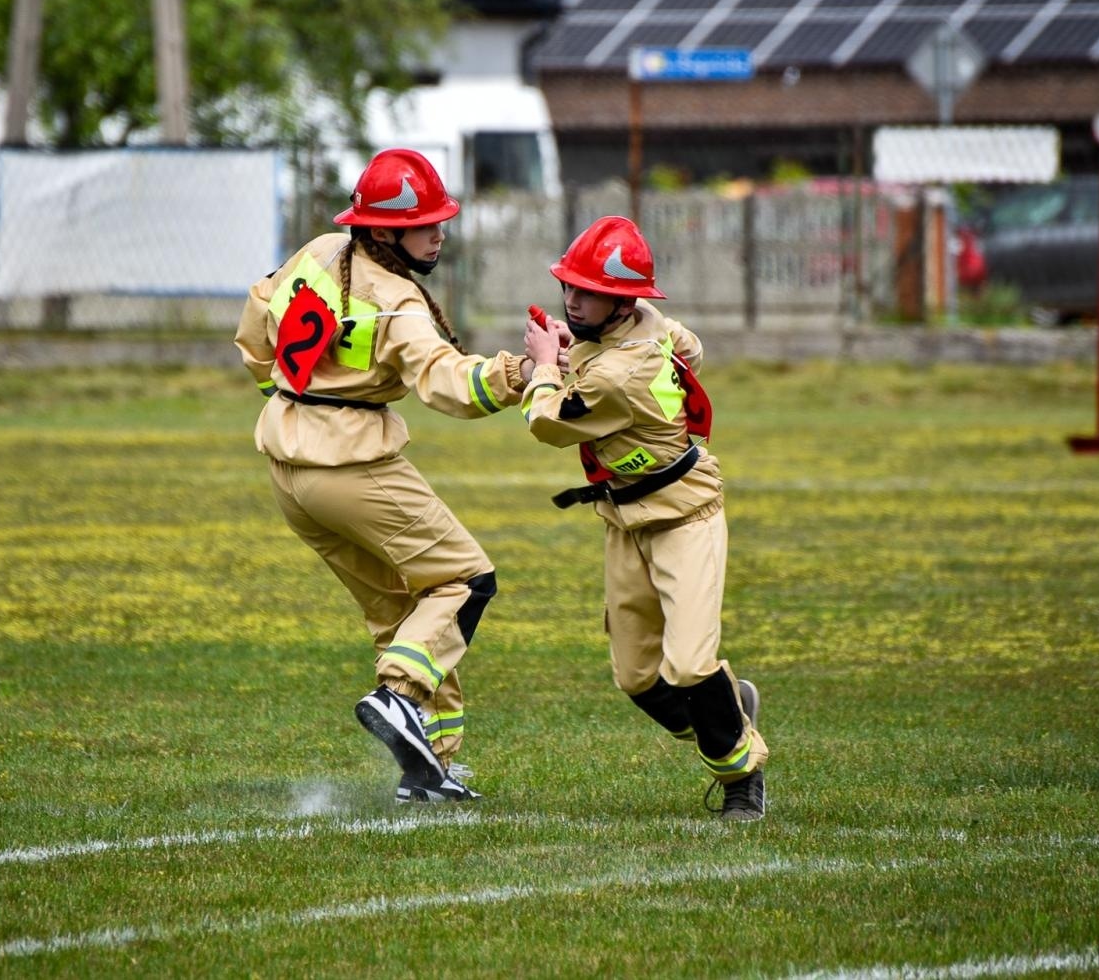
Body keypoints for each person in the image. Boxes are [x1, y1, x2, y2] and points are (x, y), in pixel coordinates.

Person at [234, 148, 536, 804]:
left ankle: (431, 765)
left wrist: (283, 391)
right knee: (465, 580)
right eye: (427, 222)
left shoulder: (318, 252)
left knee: (402, 609)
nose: (440, 231)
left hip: (286, 469)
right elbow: (448, 386)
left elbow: (257, 318)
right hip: (350, 463)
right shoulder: (400, 300)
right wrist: (522, 374)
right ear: (382, 230)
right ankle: (398, 698)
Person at [519, 216, 769, 821]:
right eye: (569, 287)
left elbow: (548, 423)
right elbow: (689, 347)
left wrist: (546, 365)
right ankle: (727, 710)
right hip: (625, 519)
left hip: (685, 515)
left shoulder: (618, 372)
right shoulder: (646, 327)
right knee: (637, 678)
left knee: (687, 665)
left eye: (587, 291)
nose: (573, 299)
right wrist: (565, 347)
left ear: (623, 300)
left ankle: (743, 774)